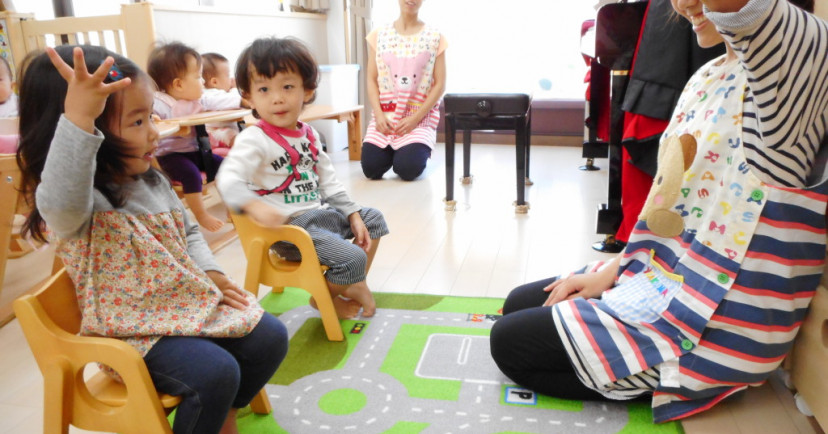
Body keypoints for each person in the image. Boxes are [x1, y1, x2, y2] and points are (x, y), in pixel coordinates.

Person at [490, 0, 827, 423]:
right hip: (664, 279)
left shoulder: (799, 63)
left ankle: (674, 377)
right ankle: (618, 326)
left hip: (714, 321)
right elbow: (669, 215)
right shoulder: (707, 76)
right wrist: (611, 273)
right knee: (518, 303)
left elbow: (745, 14)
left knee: (509, 343)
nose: (685, 4)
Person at [16, 45, 288, 434]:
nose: (155, 133)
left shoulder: (152, 179)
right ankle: (213, 408)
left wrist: (211, 271)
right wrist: (78, 117)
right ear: (89, 133)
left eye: (152, 118)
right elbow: (59, 205)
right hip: (131, 333)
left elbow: (189, 230)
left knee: (270, 338)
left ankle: (223, 412)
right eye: (138, 122)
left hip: (183, 306)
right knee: (214, 373)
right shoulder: (79, 201)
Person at [217, 37, 389, 319]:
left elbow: (329, 182)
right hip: (287, 232)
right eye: (263, 89)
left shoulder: (308, 134)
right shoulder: (254, 139)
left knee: (373, 221)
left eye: (287, 86)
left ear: (306, 91)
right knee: (353, 256)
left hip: (318, 217)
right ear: (249, 97)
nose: (277, 98)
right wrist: (253, 205)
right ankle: (326, 298)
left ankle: (350, 282)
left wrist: (353, 213)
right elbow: (228, 179)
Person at [148, 42, 244, 232]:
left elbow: (219, 100)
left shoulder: (198, 99)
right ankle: (202, 215)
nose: (203, 82)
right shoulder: (157, 102)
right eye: (198, 76)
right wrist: (152, 118)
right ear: (178, 84)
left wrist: (243, 99)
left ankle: (231, 209)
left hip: (196, 151)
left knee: (227, 167)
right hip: (169, 156)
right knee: (190, 174)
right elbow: (143, 116)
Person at [360, 0, 447, 181]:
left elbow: (440, 84)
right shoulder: (378, 35)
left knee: (407, 170)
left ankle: (409, 151)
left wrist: (415, 119)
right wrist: (379, 114)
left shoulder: (435, 37)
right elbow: (371, 79)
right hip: (385, 119)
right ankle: (394, 150)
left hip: (418, 120)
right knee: (371, 169)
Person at [201, 52, 243, 157]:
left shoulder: (219, 94)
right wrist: (234, 88)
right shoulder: (212, 94)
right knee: (233, 135)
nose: (231, 79)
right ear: (214, 82)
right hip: (214, 133)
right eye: (228, 75)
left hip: (220, 133)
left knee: (237, 133)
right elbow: (236, 100)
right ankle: (246, 151)